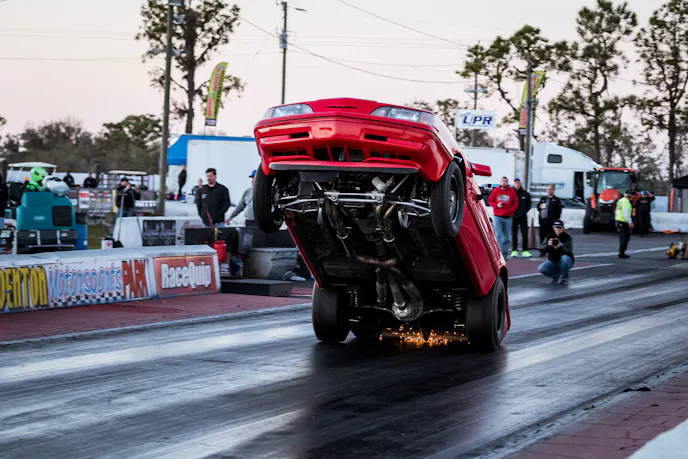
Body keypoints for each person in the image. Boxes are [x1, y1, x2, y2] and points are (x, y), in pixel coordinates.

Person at [489, 176, 519, 258]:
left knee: (506, 238)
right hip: (498, 217)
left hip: (508, 217)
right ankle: (498, 254)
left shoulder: (512, 191)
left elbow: (515, 203)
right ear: (500, 182)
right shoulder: (496, 191)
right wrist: (497, 205)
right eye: (503, 181)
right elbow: (491, 201)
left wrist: (510, 210)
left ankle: (505, 254)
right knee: (498, 235)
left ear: (508, 182)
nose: (504, 182)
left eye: (506, 181)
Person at [538, 220, 575, 285]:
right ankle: (556, 276)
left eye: (560, 228)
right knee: (542, 268)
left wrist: (560, 246)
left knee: (564, 258)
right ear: (553, 227)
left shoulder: (567, 237)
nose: (558, 229)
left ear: (563, 228)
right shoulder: (549, 237)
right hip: (554, 260)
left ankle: (565, 278)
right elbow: (542, 251)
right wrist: (548, 245)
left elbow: (569, 250)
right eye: (556, 227)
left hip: (566, 261)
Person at [511, 178, 532, 258]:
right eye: (515, 183)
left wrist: (523, 212)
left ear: (520, 184)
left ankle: (525, 250)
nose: (517, 185)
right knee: (514, 234)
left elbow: (529, 205)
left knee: (524, 233)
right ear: (514, 184)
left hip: (523, 217)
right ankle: (514, 250)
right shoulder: (511, 193)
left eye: (518, 183)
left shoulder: (525, 194)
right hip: (513, 217)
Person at [537, 184, 562, 249]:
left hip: (551, 223)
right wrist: (539, 207)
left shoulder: (557, 200)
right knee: (542, 237)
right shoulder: (543, 198)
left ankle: (550, 250)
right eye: (548, 189)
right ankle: (542, 250)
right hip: (542, 222)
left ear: (553, 190)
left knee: (550, 238)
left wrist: (555, 221)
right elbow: (538, 208)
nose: (549, 191)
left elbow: (559, 211)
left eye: (550, 189)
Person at [616, 189, 634, 258]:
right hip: (623, 222)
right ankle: (622, 253)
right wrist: (630, 222)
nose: (633, 197)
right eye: (632, 196)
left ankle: (621, 252)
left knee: (622, 238)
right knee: (625, 238)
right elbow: (626, 213)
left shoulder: (621, 200)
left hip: (619, 220)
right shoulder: (626, 202)